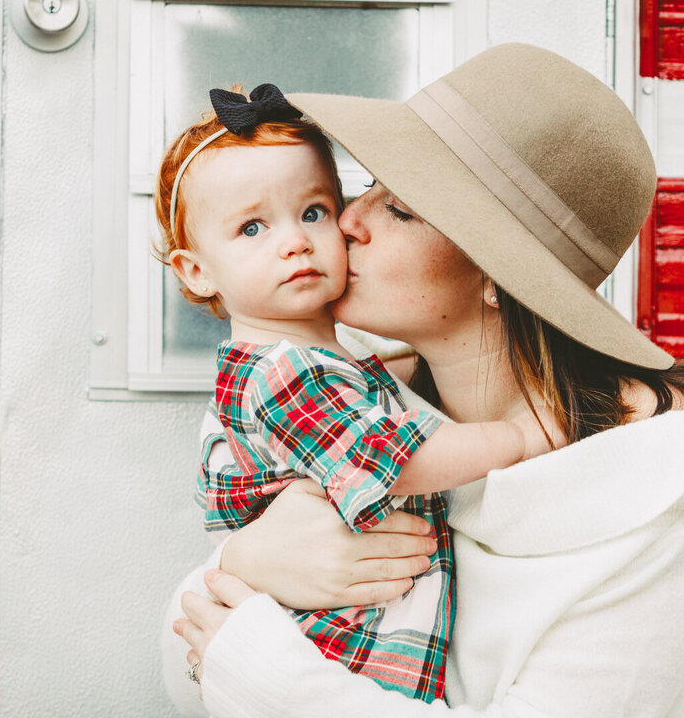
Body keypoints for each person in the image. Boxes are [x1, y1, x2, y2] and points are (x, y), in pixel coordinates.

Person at [163, 44, 684, 717]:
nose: (346, 221)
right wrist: (246, 562)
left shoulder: (662, 495)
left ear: (496, 276)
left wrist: (268, 674)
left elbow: (238, 662)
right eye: (365, 186)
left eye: (400, 208)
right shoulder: (365, 399)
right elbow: (187, 653)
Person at [155, 84, 565, 703]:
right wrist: (517, 437)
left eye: (313, 210)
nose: (297, 240)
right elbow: (394, 459)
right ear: (195, 270)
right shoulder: (287, 372)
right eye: (252, 227)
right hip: (333, 654)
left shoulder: (332, 366)